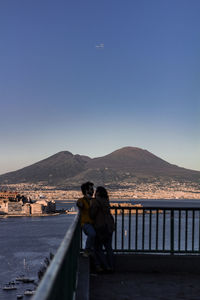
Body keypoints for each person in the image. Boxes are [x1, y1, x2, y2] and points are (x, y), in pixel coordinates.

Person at [90, 186, 115, 272]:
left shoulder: (96, 202)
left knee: (98, 248)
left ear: (97, 193)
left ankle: (105, 266)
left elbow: (92, 214)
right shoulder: (106, 201)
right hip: (109, 226)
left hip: (100, 226)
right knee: (109, 248)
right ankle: (111, 266)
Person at [77, 181, 96, 257]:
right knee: (92, 234)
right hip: (86, 223)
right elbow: (79, 205)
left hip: (94, 223)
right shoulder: (81, 200)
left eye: (92, 189)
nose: (92, 191)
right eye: (91, 189)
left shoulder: (94, 200)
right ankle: (87, 250)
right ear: (86, 191)